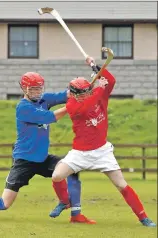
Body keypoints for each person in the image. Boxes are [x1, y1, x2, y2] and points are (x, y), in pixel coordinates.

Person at [0, 72, 82, 222]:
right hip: (24, 160)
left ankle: (65, 202)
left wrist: (82, 88)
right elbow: (50, 117)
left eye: (39, 88)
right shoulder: (23, 107)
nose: (37, 92)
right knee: (4, 203)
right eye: (33, 89)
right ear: (24, 88)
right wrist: (72, 106)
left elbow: (66, 94)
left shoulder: (44, 99)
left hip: (43, 158)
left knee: (66, 169)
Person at [52, 58, 156, 227]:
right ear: (73, 94)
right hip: (80, 153)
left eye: (87, 91)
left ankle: (144, 218)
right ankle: (64, 201)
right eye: (82, 93)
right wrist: (98, 88)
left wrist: (96, 68)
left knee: (122, 185)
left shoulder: (98, 97)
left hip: (102, 151)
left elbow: (111, 81)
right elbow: (87, 106)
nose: (85, 94)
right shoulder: (72, 105)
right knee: (57, 176)